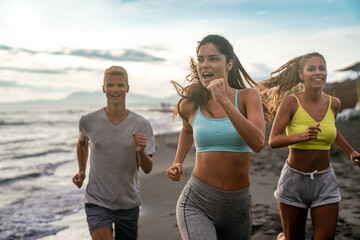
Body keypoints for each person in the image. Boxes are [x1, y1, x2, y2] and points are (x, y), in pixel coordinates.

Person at [166, 34, 271, 240]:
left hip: (238, 206)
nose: (205, 64)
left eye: (213, 58)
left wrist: (223, 100)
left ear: (229, 64)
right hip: (197, 201)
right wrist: (177, 161)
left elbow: (257, 143)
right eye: (201, 59)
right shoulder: (191, 103)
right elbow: (187, 130)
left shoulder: (248, 97)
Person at [259, 52, 360, 240]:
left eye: (322, 68)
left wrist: (351, 152)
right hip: (294, 181)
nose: (318, 73)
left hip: (325, 181)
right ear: (300, 74)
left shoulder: (334, 103)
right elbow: (273, 140)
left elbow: (331, 131)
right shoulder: (290, 102)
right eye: (311, 68)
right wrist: (300, 136)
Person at [72, 66, 155, 240]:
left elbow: (147, 168)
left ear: (127, 88)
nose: (115, 89)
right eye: (110, 85)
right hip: (97, 201)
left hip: (128, 202)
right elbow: (82, 143)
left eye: (120, 85)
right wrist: (81, 170)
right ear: (103, 88)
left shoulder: (141, 124)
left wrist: (140, 152)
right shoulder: (88, 121)